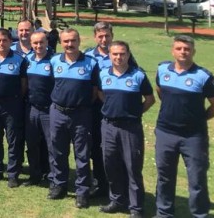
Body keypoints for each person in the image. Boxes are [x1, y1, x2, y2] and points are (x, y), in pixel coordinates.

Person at [154, 35, 214, 218]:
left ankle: (199, 214)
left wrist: (200, 119)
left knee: (196, 179)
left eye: (187, 49)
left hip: (193, 137)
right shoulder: (162, 70)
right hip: (165, 133)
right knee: (164, 176)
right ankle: (164, 213)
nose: (183, 52)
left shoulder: (204, 76)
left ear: (193, 52)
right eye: (179, 48)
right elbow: (160, 91)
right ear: (172, 51)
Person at [97, 41, 154, 218]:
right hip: (108, 126)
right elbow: (100, 93)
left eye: (122, 54)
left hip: (130, 128)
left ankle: (136, 207)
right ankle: (117, 200)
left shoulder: (138, 75)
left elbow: (150, 99)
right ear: (109, 55)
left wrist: (134, 113)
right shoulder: (103, 74)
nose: (118, 57)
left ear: (128, 55)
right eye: (115, 54)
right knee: (110, 165)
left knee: (132, 167)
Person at [47, 28, 100, 209]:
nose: (69, 44)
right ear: (61, 42)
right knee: (58, 151)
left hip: (81, 114)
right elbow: (52, 85)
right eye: (66, 41)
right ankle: (59, 185)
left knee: (82, 154)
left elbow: (94, 91)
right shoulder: (54, 61)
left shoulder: (91, 63)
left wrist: (80, 105)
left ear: (79, 41)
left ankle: (82, 191)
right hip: (58, 113)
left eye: (73, 40)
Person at [0, 29, 28, 187]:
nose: (1, 43)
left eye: (5, 40)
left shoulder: (19, 59)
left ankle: (13, 174)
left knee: (13, 140)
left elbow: (23, 85)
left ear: (10, 42)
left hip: (11, 105)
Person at [85, 22, 117, 198]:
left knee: (114, 148)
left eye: (107, 36)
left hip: (115, 106)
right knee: (96, 146)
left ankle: (117, 184)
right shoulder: (88, 55)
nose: (104, 39)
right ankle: (99, 183)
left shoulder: (120, 53)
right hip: (94, 106)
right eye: (101, 36)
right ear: (95, 37)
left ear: (112, 36)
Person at [23, 31, 55, 187]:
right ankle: (34, 175)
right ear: (31, 44)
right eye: (35, 43)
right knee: (32, 144)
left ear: (47, 42)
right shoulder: (27, 60)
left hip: (49, 110)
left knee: (51, 146)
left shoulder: (54, 61)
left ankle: (52, 177)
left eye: (41, 42)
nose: (38, 46)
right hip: (31, 109)